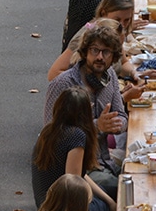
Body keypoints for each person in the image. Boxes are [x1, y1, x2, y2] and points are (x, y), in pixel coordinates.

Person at [44, 25, 127, 197]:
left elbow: (121, 115)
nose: (99, 57)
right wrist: (97, 126)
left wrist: (116, 124)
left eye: (106, 52)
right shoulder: (63, 84)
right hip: (80, 170)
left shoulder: (110, 75)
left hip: (105, 160)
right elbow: (52, 134)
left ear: (114, 57)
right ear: (85, 52)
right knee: (126, 189)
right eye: (94, 50)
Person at [32, 87, 115, 211]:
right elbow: (74, 184)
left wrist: (109, 200)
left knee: (110, 193)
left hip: (46, 204)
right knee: (109, 202)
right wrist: (108, 204)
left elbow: (80, 174)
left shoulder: (48, 131)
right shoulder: (76, 136)